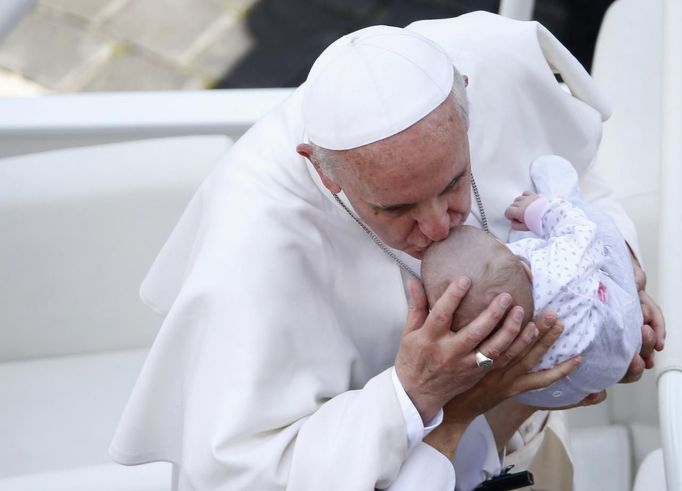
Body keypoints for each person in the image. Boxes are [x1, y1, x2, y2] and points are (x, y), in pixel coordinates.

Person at [110, 12, 665, 491]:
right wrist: (415, 393)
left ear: (467, 98)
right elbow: (245, 472)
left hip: (532, 446)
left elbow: (578, 181)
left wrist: (618, 269)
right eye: (396, 210)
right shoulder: (253, 239)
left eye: (453, 184)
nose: (436, 226)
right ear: (323, 171)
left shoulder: (490, 63)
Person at [422, 155, 643, 408]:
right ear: (527, 272)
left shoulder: (484, 349)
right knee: (587, 222)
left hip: (546, 394)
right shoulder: (559, 275)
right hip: (618, 344)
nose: (436, 226)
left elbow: (479, 364)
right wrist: (538, 210)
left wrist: (484, 359)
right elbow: (580, 231)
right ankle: (558, 196)